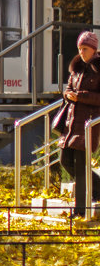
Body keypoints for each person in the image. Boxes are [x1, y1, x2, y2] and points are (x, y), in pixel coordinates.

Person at [55, 31, 100, 218]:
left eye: (85, 49)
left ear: (93, 49)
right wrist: (68, 95)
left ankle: (80, 210)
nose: (81, 52)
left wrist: (80, 96)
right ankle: (97, 186)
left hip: (88, 123)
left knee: (81, 167)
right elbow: (68, 88)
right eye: (80, 49)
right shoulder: (77, 67)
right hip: (71, 122)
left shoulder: (98, 68)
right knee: (65, 160)